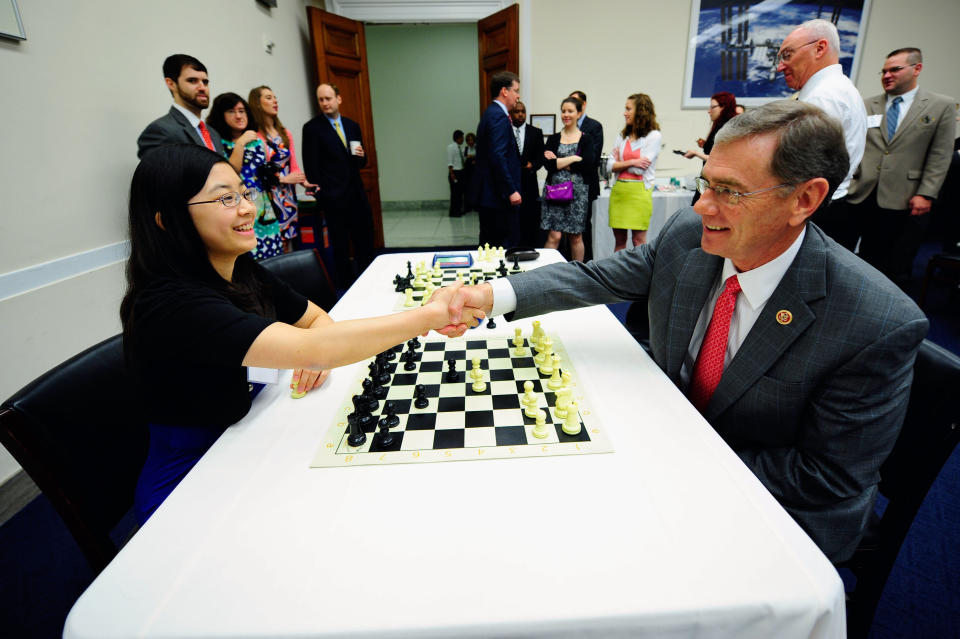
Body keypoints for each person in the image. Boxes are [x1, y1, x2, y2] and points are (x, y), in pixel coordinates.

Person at [446, 100, 928, 563]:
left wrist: (671, 453)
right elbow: (595, 277)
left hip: (772, 512)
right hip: (673, 454)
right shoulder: (686, 237)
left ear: (805, 199)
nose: (702, 207)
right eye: (704, 184)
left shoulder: (875, 322)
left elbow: (824, 479)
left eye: (729, 191)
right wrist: (492, 295)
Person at [121, 145, 479, 524]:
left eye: (245, 193)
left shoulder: (239, 270)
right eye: (225, 198)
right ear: (167, 219)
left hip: (242, 445)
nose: (247, 208)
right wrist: (430, 315)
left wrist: (314, 354)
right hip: (189, 489)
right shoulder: (170, 304)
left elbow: (317, 321)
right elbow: (315, 343)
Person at [847, 47, 956, 284]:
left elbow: (940, 154)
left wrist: (926, 193)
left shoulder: (940, 106)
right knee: (853, 258)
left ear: (917, 68)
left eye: (895, 69)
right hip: (860, 193)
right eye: (884, 71)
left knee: (890, 262)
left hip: (903, 197)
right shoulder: (866, 104)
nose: (887, 75)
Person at [777, 18, 867, 250]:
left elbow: (804, 167)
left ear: (819, 48)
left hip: (816, 213)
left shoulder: (823, 97)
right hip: (829, 206)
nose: (780, 66)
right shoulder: (840, 88)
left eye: (787, 55)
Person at [302, 83, 377, 289]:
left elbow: (359, 161)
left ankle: (368, 280)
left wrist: (363, 156)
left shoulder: (352, 125)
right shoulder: (312, 129)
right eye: (321, 100)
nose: (325, 103)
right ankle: (346, 288)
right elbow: (311, 169)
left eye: (328, 98)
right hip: (333, 198)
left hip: (357, 195)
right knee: (341, 247)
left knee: (365, 241)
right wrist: (326, 194)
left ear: (338, 99)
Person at [206, 93, 282, 261]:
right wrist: (240, 143)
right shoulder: (219, 144)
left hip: (264, 208)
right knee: (249, 262)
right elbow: (230, 174)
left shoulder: (257, 142)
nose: (239, 116)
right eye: (232, 111)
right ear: (221, 115)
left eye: (242, 111)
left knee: (273, 260)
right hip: (238, 209)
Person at [248, 86, 309, 254]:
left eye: (275, 97)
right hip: (268, 199)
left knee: (289, 244)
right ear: (257, 104)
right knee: (275, 245)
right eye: (268, 97)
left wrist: (305, 183)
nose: (275, 101)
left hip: (288, 198)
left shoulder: (284, 133)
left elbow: (293, 166)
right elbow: (256, 172)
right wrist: (282, 179)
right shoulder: (254, 136)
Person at [541, 96, 598, 262]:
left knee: (576, 236)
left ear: (579, 113)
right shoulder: (553, 138)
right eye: (563, 111)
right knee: (554, 236)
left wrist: (558, 161)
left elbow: (587, 165)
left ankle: (577, 275)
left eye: (570, 111)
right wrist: (573, 158)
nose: (566, 114)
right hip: (554, 191)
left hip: (577, 193)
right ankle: (544, 274)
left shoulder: (586, 139)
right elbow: (548, 165)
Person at [137, 54, 224, 158]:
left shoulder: (213, 133)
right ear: (171, 84)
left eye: (205, 82)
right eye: (192, 80)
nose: (202, 87)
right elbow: (157, 173)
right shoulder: (160, 131)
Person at [472, 71, 522, 247]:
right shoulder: (498, 116)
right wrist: (510, 190)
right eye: (516, 90)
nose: (518, 95)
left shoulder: (491, 113)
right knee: (500, 246)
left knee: (490, 244)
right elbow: (498, 156)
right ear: (504, 91)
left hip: (491, 195)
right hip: (497, 197)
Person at [608, 93, 662, 251]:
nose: (624, 113)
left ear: (640, 111)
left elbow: (641, 168)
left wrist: (620, 162)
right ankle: (617, 274)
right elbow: (608, 166)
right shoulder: (622, 136)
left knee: (638, 240)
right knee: (619, 241)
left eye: (628, 109)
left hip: (639, 193)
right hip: (619, 191)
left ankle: (639, 275)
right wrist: (632, 161)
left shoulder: (654, 136)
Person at [685, 92, 737, 205]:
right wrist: (705, 145)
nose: (709, 111)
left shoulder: (725, 129)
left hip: (713, 182)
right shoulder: (721, 127)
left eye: (713, 107)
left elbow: (720, 159)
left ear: (724, 107)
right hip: (708, 179)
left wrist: (696, 153)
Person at [570, 90, 604, 260]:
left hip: (586, 183)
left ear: (583, 105)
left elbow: (593, 158)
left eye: (575, 102)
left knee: (583, 226)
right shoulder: (567, 126)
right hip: (568, 185)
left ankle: (586, 264)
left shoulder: (594, 126)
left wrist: (568, 163)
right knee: (569, 227)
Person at [510, 100, 545, 247]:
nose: (520, 114)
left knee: (529, 218)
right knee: (512, 219)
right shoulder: (505, 130)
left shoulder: (535, 132)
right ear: (511, 114)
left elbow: (541, 156)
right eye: (517, 111)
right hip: (511, 182)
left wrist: (533, 165)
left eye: (523, 111)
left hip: (529, 181)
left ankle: (529, 246)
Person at [447, 130, 466, 218]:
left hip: (461, 172)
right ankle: (453, 212)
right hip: (455, 172)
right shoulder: (451, 147)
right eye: (462, 137)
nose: (463, 139)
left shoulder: (460, 148)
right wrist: (452, 174)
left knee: (459, 193)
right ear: (457, 138)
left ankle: (458, 210)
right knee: (455, 194)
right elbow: (450, 162)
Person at [462, 132, 478, 213]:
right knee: (467, 190)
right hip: (467, 172)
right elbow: (463, 160)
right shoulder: (464, 149)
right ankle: (467, 207)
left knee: (476, 189)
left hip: (475, 172)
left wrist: (474, 158)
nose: (471, 142)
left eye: (472, 140)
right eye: (469, 140)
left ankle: (476, 206)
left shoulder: (478, 149)